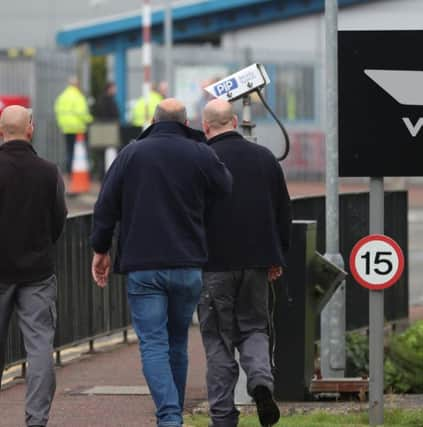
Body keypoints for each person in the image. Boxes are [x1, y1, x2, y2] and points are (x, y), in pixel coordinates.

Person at [90, 98, 232, 427]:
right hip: (187, 264)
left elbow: (105, 205)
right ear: (186, 123)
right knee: (178, 341)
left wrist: (101, 249)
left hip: (144, 266)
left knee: (153, 342)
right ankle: (173, 413)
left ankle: (169, 418)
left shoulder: (131, 154)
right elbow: (225, 186)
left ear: (153, 121)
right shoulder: (199, 153)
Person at [199, 99, 291, 427]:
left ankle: (223, 417)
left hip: (214, 264)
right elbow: (283, 210)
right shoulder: (265, 158)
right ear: (235, 122)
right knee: (254, 327)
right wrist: (277, 255)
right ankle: (261, 382)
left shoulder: (202, 159)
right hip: (257, 262)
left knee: (219, 340)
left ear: (205, 126)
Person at [0, 106, 67, 427]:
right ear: (31, 128)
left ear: (1, 132)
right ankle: (36, 420)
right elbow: (59, 219)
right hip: (37, 273)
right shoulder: (49, 171)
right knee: (39, 347)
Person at [54, 76, 93, 174]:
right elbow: (82, 113)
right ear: (76, 84)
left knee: (69, 150)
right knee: (80, 152)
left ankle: (69, 171)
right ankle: (80, 171)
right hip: (78, 128)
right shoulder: (78, 96)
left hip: (66, 128)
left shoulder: (62, 96)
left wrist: (62, 123)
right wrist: (90, 120)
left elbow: (57, 111)